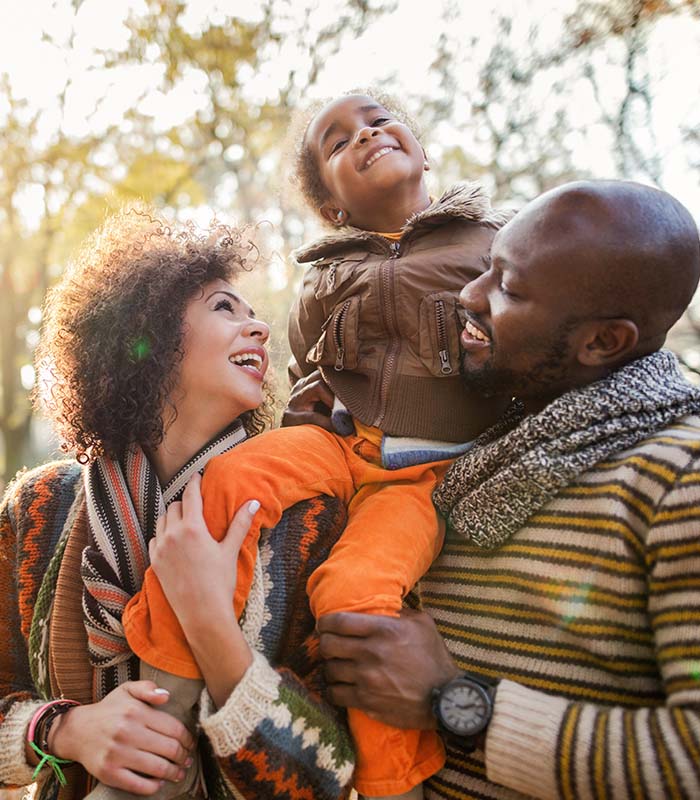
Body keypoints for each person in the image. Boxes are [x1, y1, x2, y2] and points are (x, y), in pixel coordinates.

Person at [121, 92, 510, 800]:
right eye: (338, 142)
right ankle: (162, 718)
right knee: (234, 478)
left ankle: (396, 785)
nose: (367, 135)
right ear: (332, 206)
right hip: (336, 442)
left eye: (378, 122)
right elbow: (308, 375)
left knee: (357, 596)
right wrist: (301, 431)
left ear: (420, 151)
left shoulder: (494, 241)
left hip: (429, 472)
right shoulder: (323, 277)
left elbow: (532, 340)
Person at [315, 179, 700, 800]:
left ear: (603, 341)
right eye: (487, 266)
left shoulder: (679, 478)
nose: (469, 294)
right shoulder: (480, 440)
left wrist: (457, 703)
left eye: (508, 288)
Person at [0, 208, 355, 800]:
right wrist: (67, 730)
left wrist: (208, 622)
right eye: (224, 307)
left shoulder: (306, 518)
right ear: (150, 339)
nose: (260, 328)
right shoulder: (39, 509)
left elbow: (334, 776)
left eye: (254, 313)